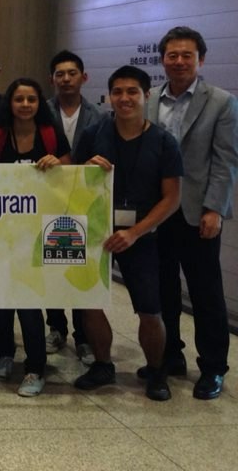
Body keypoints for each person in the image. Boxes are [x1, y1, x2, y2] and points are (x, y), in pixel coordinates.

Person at [72, 65, 183, 401]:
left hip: (140, 235)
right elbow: (71, 181)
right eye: (118, 92)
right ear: (109, 97)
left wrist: (135, 232)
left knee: (149, 309)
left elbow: (172, 198)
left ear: (146, 96)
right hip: (95, 231)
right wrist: (85, 172)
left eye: (132, 92)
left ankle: (156, 370)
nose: (124, 98)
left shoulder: (164, 141)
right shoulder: (94, 133)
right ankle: (103, 364)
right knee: (90, 301)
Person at [147, 26, 238, 400]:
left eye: (187, 55)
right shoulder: (149, 98)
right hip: (157, 213)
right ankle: (170, 356)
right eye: (172, 55)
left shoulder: (221, 101)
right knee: (163, 290)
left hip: (198, 213)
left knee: (205, 294)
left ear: (201, 59)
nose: (180, 61)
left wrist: (215, 208)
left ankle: (213, 367)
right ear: (162, 59)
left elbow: (226, 161)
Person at [0, 78, 70, 397]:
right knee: (1, 299)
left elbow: (70, 166)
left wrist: (57, 163)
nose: (26, 105)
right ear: (11, 103)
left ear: (39, 103)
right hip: (2, 229)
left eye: (32, 99)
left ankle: (35, 368)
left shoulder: (49, 133)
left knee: (29, 302)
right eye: (19, 99)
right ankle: (5, 353)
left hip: (38, 230)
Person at [45, 50, 103, 362]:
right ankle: (56, 326)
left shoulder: (99, 116)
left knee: (81, 270)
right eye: (60, 74)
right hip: (49, 202)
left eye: (72, 73)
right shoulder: (41, 112)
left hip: (84, 204)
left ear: (84, 77)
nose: (66, 79)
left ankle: (84, 337)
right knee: (52, 266)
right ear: (52, 79)